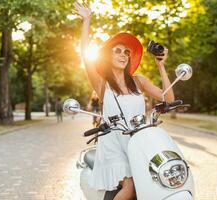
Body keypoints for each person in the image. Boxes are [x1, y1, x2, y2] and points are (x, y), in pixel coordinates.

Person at [75, 2, 175, 200]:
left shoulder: (139, 81)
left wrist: (161, 66)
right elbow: (85, 54)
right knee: (129, 187)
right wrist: (87, 20)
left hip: (138, 141)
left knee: (156, 180)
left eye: (126, 52)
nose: (123, 55)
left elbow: (168, 97)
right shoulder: (102, 84)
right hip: (113, 144)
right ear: (108, 55)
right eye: (117, 51)